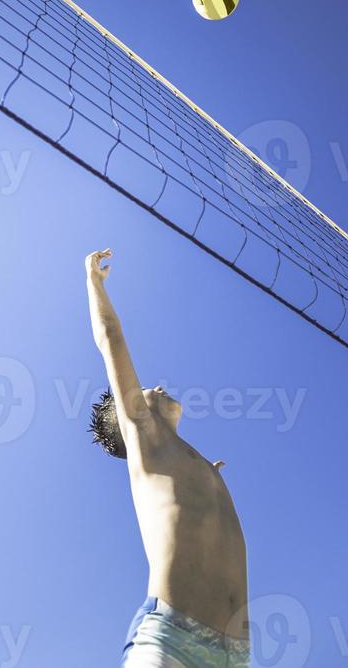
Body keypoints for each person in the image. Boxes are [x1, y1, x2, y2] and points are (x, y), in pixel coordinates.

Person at [86, 249, 250, 668]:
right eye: (142, 392)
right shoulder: (144, 438)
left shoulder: (190, 462)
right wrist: (93, 281)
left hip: (236, 658)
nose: (154, 386)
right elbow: (111, 339)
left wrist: (208, 476)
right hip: (172, 640)